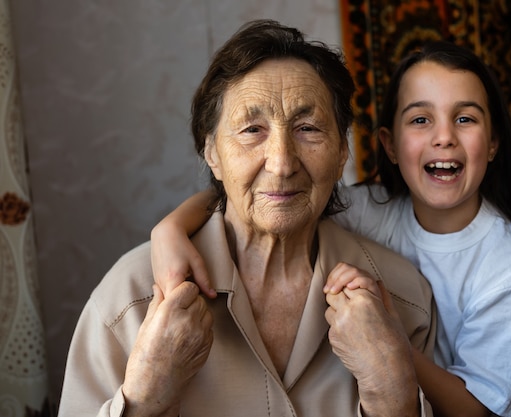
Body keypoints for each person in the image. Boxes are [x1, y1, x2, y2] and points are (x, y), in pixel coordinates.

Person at [149, 39, 511, 417]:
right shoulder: (371, 209)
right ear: (389, 145)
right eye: (420, 119)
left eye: (465, 118)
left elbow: (480, 412)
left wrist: (389, 344)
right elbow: (266, 190)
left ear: (492, 144)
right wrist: (170, 230)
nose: (444, 138)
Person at [57, 19, 436, 417]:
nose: (282, 163)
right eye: (252, 130)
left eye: (308, 128)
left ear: (343, 151)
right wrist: (144, 398)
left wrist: (391, 390)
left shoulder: (401, 297)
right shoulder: (128, 299)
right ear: (212, 153)